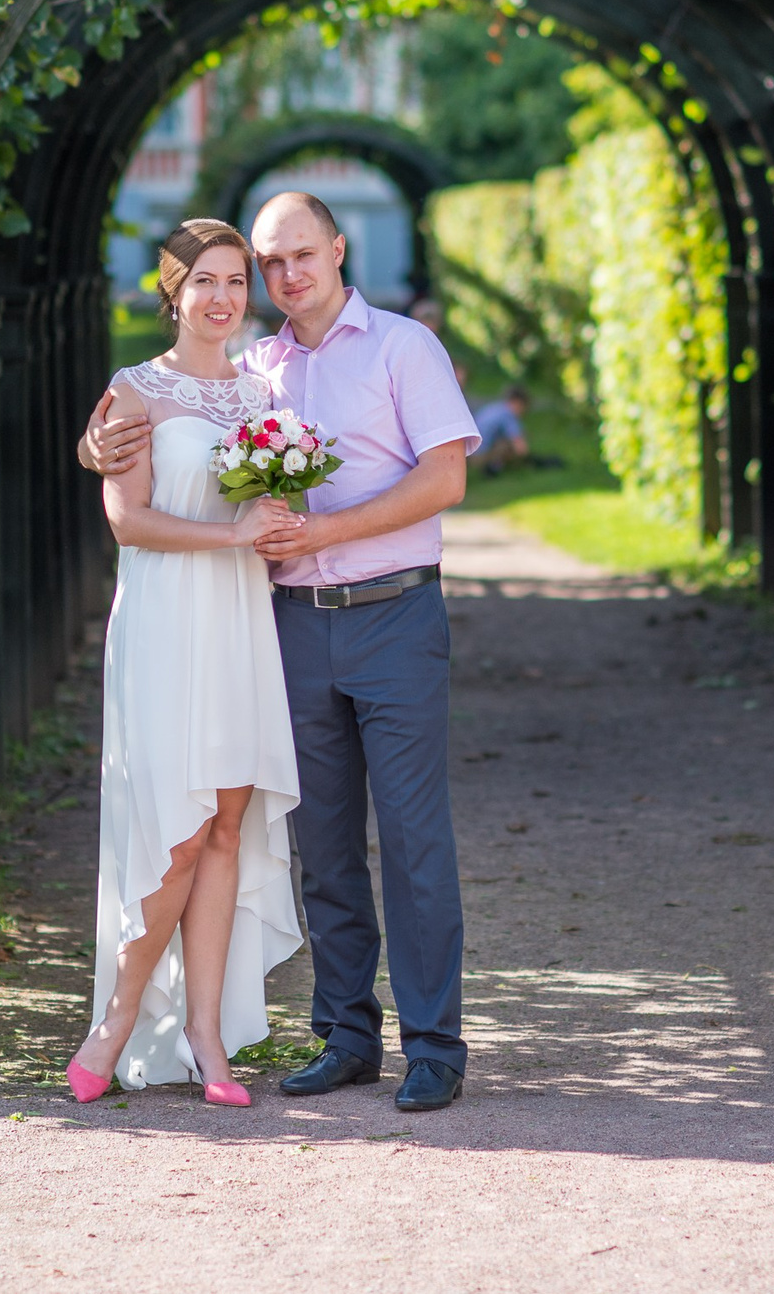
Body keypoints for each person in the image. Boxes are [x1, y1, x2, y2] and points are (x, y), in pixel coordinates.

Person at [82, 191, 480, 1113]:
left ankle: (433, 1045)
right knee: (323, 841)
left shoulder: (402, 349)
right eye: (270, 264)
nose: (287, 274)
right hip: (288, 626)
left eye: (302, 254)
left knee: (415, 839)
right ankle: (346, 1034)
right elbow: (163, 416)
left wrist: (323, 527)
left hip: (394, 618)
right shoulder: (256, 369)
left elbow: (446, 475)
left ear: (338, 250)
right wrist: (94, 442)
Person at [67, 219, 306, 1108]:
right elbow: (126, 521)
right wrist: (232, 533)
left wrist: (276, 521)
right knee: (174, 834)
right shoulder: (133, 394)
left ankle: (209, 1037)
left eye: (237, 282)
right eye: (204, 280)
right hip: (167, 624)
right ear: (172, 292)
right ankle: (120, 1019)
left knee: (225, 831)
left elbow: (272, 510)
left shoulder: (259, 399)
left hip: (240, 622)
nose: (223, 298)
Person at [472, 386, 531, 476]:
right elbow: (520, 448)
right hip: (479, 456)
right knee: (508, 445)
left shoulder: (495, 408)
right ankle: (495, 467)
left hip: (469, 451)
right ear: (518, 403)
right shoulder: (508, 414)